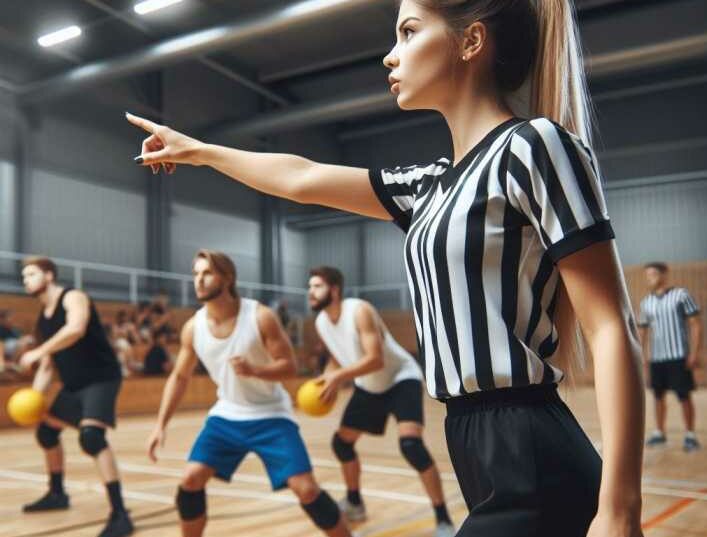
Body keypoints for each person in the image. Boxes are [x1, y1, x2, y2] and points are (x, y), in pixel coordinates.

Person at [127, 1, 646, 535]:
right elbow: (300, 178)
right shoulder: (430, 187)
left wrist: (620, 509)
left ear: (471, 42)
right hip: (470, 442)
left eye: (408, 32)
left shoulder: (534, 145)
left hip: (530, 450)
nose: (390, 56)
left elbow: (610, 327)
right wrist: (201, 151)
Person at [146, 249, 351, 537]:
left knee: (305, 490)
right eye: (196, 274)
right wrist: (160, 425)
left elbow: (290, 367)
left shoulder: (260, 316)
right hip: (226, 416)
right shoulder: (193, 328)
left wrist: (256, 370)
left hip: (271, 415)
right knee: (190, 480)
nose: (199, 281)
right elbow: (179, 377)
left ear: (227, 278)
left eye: (207, 273)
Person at [309, 266, 454, 537]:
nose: (310, 292)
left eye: (316, 286)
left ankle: (443, 518)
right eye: (310, 287)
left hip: (401, 377)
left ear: (334, 290)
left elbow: (375, 358)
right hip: (369, 384)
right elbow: (339, 356)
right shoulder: (321, 323)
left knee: (411, 446)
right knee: (341, 443)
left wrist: (339, 377)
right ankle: (354, 503)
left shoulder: (359, 310)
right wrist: (327, 379)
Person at [18, 256, 133, 537]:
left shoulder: (73, 297)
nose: (25, 280)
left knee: (92, 438)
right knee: (46, 432)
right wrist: (33, 398)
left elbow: (76, 328)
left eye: (31, 274)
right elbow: (47, 366)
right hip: (73, 385)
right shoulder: (42, 321)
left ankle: (119, 514)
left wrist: (38, 351)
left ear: (48, 275)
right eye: (23, 277)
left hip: (101, 379)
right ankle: (57, 494)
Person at [638, 262, 702, 452]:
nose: (649, 278)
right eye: (647, 275)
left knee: (683, 395)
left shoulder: (681, 295)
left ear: (664, 274)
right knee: (658, 395)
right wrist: (642, 356)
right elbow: (642, 332)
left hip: (678, 356)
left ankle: (690, 435)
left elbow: (696, 324)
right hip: (657, 358)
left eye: (653, 274)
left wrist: (694, 352)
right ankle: (659, 433)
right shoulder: (645, 302)